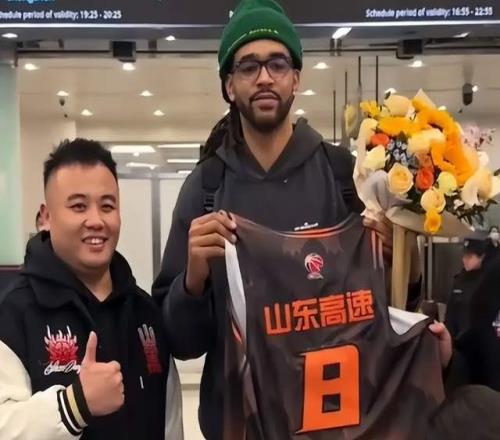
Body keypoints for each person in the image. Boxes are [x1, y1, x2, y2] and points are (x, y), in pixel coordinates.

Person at [152, 0, 450, 438]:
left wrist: (407, 262)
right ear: (229, 86)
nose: (264, 77)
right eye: (248, 67)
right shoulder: (206, 190)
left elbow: (385, 315)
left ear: (296, 78)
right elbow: (180, 343)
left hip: (337, 422)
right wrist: (193, 282)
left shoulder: (346, 178)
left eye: (277, 63)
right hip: (240, 426)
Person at [0, 139, 182, 439]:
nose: (96, 221)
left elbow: (170, 424)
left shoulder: (145, 313)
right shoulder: (14, 313)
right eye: (78, 206)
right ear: (46, 217)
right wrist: (75, 405)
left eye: (107, 206)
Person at [445, 235, 489, 342]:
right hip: (459, 342)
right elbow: (450, 314)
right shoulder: (459, 280)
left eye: (469, 257)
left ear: (482, 257)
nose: (465, 260)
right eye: (464, 256)